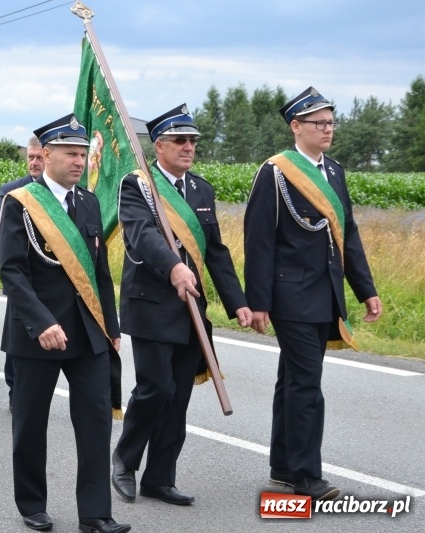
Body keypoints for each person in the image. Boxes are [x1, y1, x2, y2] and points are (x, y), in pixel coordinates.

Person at [244, 87, 382, 501]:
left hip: (326, 295)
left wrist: (365, 290)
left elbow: (348, 236)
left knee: (293, 380)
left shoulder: (335, 171)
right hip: (290, 295)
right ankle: (306, 475)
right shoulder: (276, 172)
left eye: (331, 123)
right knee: (307, 384)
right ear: (296, 127)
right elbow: (259, 240)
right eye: (319, 123)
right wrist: (259, 302)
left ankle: (284, 465)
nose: (328, 130)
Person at [110, 104, 251, 506]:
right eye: (180, 141)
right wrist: (173, 268)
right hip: (152, 304)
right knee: (156, 388)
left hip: (193, 309)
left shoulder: (200, 190)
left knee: (178, 397)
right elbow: (141, 237)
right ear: (159, 145)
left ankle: (160, 477)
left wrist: (236, 302)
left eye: (193, 141)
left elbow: (216, 251)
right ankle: (124, 459)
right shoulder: (137, 185)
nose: (189, 147)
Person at [0, 114, 129, 533]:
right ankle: (32, 503)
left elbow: (100, 272)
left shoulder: (88, 202)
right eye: (71, 153)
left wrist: (111, 326)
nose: (78, 161)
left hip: (87, 331)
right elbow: (12, 272)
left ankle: (95, 514)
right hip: (38, 333)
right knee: (31, 423)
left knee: (94, 422)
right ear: (47, 154)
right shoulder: (20, 202)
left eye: (82, 153)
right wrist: (42, 323)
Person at [0, 134, 44, 411]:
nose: (34, 163)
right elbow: (1, 237)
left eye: (39, 158)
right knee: (19, 339)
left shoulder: (63, 192)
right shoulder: (13, 191)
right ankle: (15, 390)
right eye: (31, 158)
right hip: (23, 280)